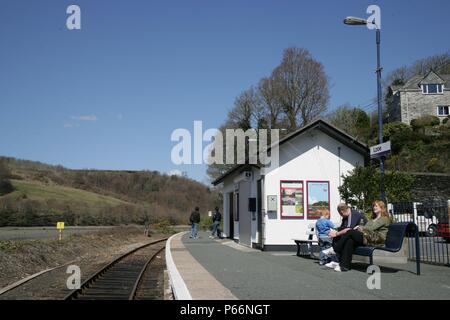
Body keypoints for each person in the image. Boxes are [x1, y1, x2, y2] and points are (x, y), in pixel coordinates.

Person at [322, 200, 391, 272]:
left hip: (377, 239)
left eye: (376, 206)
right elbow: (366, 227)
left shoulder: (384, 219)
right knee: (350, 240)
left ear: (381, 207)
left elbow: (370, 228)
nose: (374, 207)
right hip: (368, 237)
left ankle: (335, 249)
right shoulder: (372, 219)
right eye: (373, 206)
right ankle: (344, 266)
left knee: (350, 232)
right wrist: (360, 228)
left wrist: (359, 227)